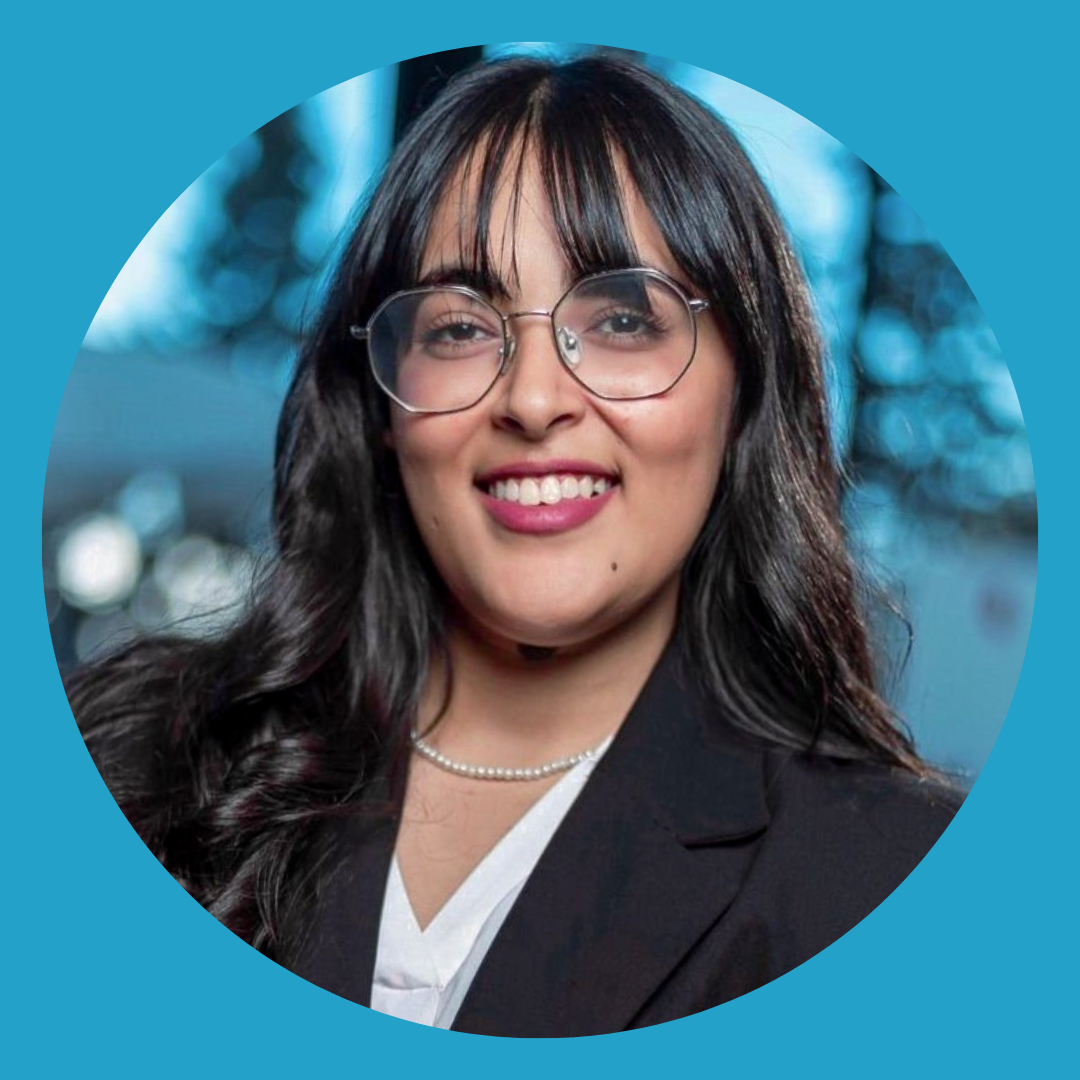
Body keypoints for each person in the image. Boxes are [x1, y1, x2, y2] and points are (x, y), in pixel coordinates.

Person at [70, 54, 961, 1037]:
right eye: (458, 328)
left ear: (744, 393)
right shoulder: (124, 763)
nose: (534, 401)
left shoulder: (895, 880)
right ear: (380, 404)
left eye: (623, 319)